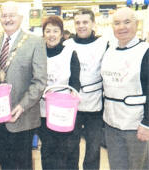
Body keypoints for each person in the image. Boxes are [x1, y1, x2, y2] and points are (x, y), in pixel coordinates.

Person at [0, 1, 47, 169]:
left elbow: (40, 80)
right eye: (4, 16)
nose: (8, 19)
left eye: (12, 15)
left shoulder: (35, 42)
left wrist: (22, 106)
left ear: (21, 18)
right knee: (5, 163)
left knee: (23, 164)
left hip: (23, 116)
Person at [101, 7, 149, 170]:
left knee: (138, 166)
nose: (122, 27)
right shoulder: (109, 50)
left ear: (136, 24)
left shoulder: (145, 52)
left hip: (136, 125)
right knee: (117, 165)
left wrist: (147, 123)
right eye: (117, 23)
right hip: (111, 123)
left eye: (127, 22)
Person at [63, 8, 109, 169]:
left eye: (85, 22)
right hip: (72, 107)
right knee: (70, 148)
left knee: (93, 151)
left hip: (95, 108)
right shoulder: (67, 45)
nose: (81, 26)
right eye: (78, 23)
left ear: (93, 23)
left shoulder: (103, 44)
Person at [38, 15, 81, 169]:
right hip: (44, 112)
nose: (51, 35)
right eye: (48, 31)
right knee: (48, 150)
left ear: (62, 34)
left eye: (55, 31)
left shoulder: (70, 53)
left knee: (67, 151)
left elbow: (75, 82)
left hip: (64, 111)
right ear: (43, 34)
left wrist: (75, 94)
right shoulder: (38, 53)